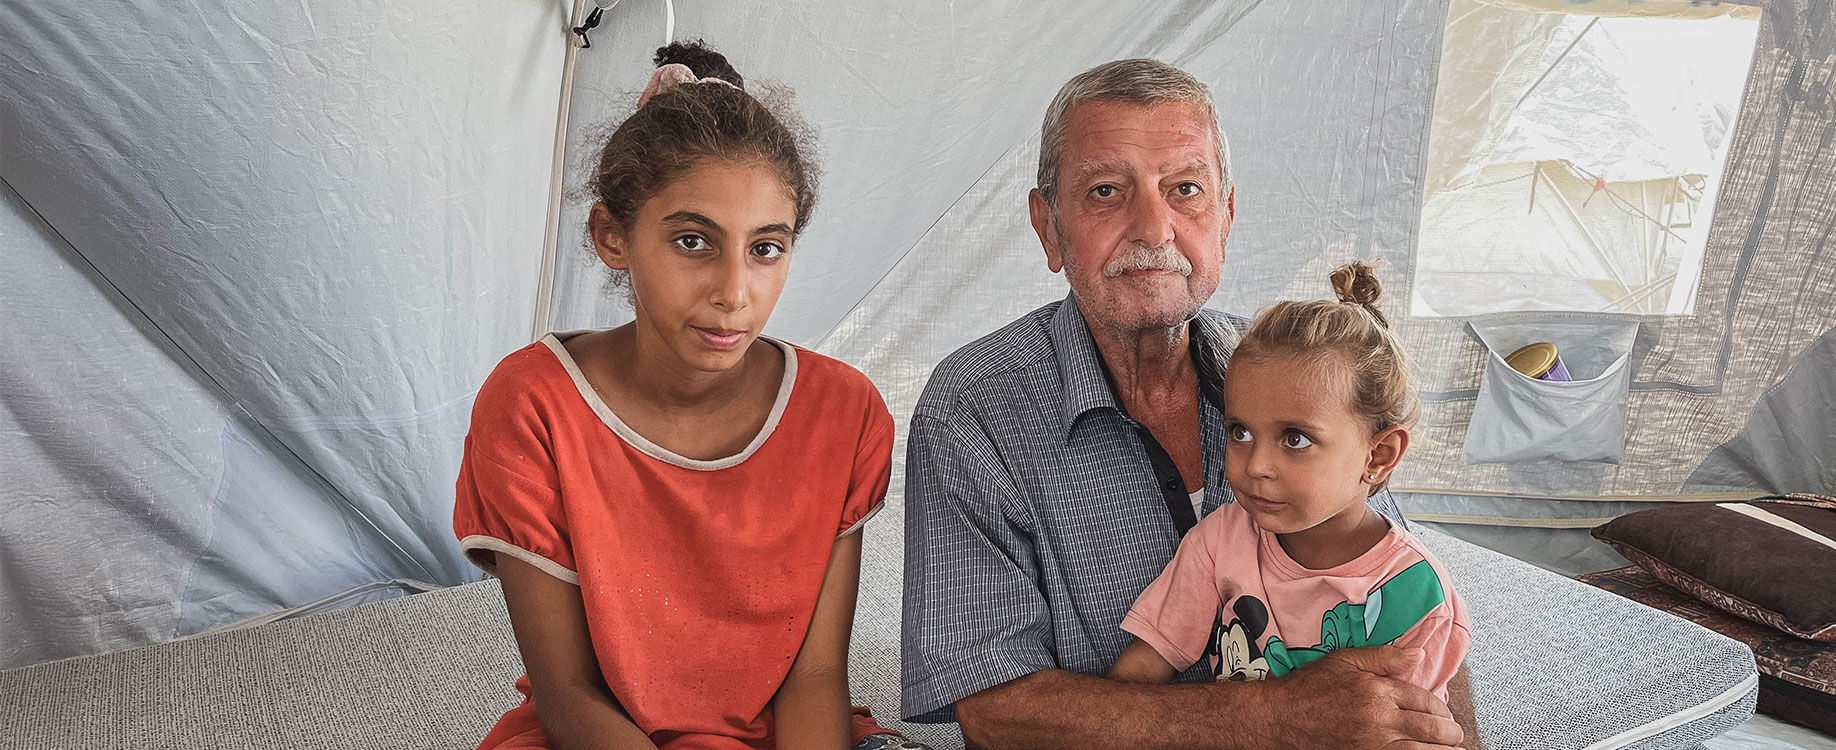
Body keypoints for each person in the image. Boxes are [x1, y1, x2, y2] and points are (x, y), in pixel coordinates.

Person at [901, 58, 1467, 748]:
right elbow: (993, 715)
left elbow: (1403, 588)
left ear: (1225, 215)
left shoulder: (1286, 371)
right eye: (1106, 190)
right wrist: (1276, 718)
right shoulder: (971, 412)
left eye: (1186, 188)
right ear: (1048, 226)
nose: (1153, 228)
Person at [453, 41, 919, 750]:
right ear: (613, 236)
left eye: (766, 248)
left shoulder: (843, 414)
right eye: (694, 242)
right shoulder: (532, 405)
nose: (734, 292)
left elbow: (815, 678)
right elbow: (567, 694)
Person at [1107, 262, 1478, 747]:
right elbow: (1140, 670)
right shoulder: (1221, 541)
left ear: (1378, 455)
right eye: (1240, 432)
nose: (1256, 464)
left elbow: (1413, 731)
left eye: (1295, 439)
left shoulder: (1416, 595)